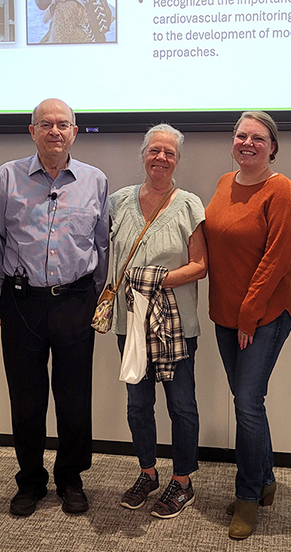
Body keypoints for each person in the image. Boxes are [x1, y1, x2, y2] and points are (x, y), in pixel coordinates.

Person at [0, 98, 109, 516]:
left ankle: (70, 478)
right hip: (22, 303)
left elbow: (101, 244)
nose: (55, 131)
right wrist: (0, 293)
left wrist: (91, 295)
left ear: (75, 132)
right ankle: (31, 480)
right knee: (26, 397)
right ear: (32, 130)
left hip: (76, 300)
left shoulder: (95, 180)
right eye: (46, 124)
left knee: (75, 397)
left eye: (63, 125)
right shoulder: (8, 176)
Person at [204, 111, 291, 539]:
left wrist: (248, 313)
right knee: (250, 404)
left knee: (246, 404)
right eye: (241, 135)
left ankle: (247, 496)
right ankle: (265, 480)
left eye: (257, 138)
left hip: (265, 314)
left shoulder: (280, 190)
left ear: (272, 147)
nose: (247, 143)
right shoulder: (225, 184)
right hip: (226, 314)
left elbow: (276, 259)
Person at [110, 124, 207, 519]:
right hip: (129, 325)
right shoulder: (117, 201)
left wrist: (153, 281)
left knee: (181, 406)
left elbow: (201, 266)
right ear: (143, 155)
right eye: (154, 150)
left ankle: (183, 481)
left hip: (176, 326)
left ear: (177, 160)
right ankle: (147, 473)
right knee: (138, 404)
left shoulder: (189, 205)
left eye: (169, 152)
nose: (161, 158)